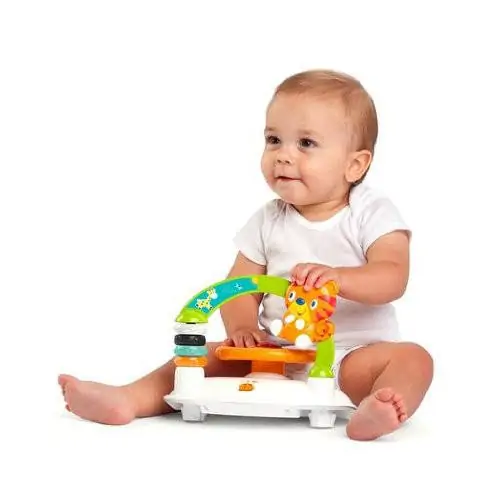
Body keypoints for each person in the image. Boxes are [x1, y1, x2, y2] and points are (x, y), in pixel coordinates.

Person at [58, 69, 433, 441]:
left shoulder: (371, 211)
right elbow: (239, 285)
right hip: (277, 356)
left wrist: (340, 277)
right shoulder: (268, 219)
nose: (283, 156)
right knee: (200, 355)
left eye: (305, 143)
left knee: (413, 359)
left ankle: (379, 406)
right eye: (274, 140)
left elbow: (392, 275)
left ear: (355, 165)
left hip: (352, 357)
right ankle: (129, 399)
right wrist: (243, 330)